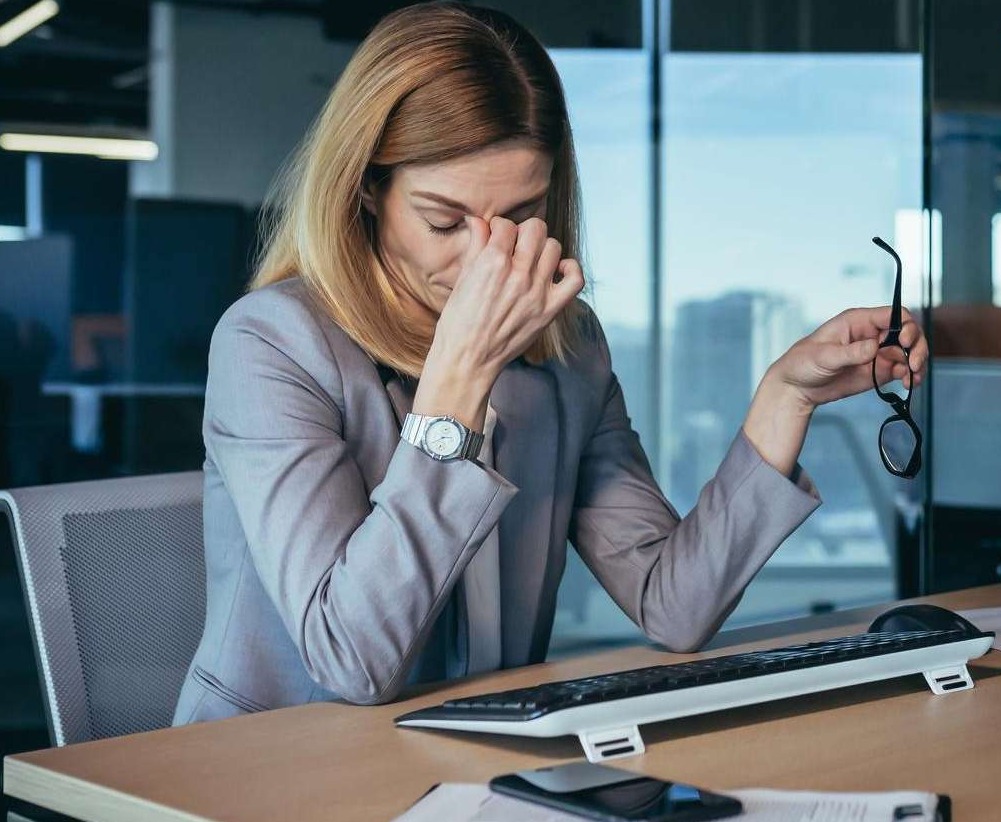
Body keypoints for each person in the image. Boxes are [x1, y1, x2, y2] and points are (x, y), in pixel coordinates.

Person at [174, 2, 927, 724]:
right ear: (368, 188)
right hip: (278, 767)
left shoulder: (568, 347)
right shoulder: (271, 344)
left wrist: (783, 399)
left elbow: (674, 605)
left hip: (475, 753)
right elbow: (351, 659)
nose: (486, 260)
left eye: (522, 217)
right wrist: (459, 382)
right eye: (445, 222)